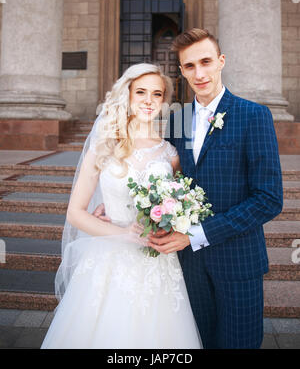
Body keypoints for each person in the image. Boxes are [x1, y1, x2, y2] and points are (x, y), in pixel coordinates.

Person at [41, 63, 202, 349]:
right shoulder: (104, 145)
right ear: (126, 95)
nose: (148, 100)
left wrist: (175, 220)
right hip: (110, 256)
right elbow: (75, 213)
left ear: (164, 100)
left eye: (157, 93)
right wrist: (125, 233)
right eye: (140, 92)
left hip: (158, 260)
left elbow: (180, 202)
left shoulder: (170, 153)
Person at [148, 28, 283, 349]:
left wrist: (195, 235)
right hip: (189, 267)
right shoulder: (177, 119)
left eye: (206, 62)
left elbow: (268, 199)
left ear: (221, 61)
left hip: (238, 263)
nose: (200, 73)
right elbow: (166, 178)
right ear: (181, 71)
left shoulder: (254, 116)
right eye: (190, 66)